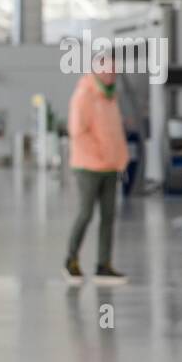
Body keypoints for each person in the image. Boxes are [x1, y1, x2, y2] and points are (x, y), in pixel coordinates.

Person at [63, 61, 129, 285]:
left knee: (108, 216)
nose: (112, 75)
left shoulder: (110, 97)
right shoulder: (84, 95)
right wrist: (100, 154)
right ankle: (71, 261)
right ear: (97, 72)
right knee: (86, 213)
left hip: (111, 167)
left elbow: (115, 131)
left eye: (114, 72)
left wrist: (120, 158)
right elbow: (77, 132)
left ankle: (104, 265)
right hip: (88, 166)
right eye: (108, 72)